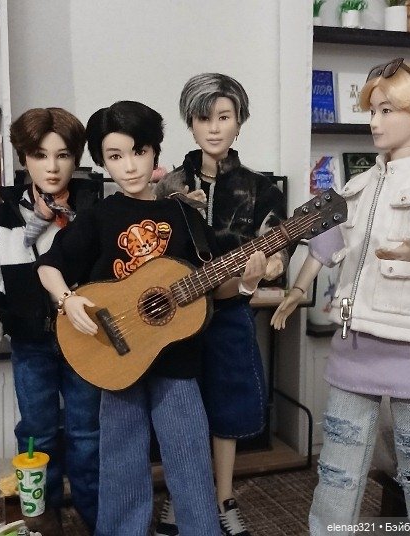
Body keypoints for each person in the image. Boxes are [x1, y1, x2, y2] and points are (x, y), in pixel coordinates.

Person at [36, 100, 268, 536]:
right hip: (116, 357)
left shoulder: (183, 215)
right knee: (121, 462)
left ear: (155, 152)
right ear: (102, 161)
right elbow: (49, 266)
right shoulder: (99, 217)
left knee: (190, 457)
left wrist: (247, 284)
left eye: (139, 152)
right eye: (115, 156)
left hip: (176, 361)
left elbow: (211, 285)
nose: (129, 166)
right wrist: (68, 300)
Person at [271, 58, 410, 535]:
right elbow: (325, 245)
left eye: (387, 110)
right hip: (356, 339)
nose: (375, 122)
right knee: (339, 462)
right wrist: (297, 289)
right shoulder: (357, 187)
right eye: (372, 111)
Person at [154, 73, 289, 536]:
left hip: (230, 311)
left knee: (227, 406)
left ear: (239, 122)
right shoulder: (168, 185)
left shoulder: (261, 188)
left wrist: (270, 265)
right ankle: (180, 495)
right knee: (178, 408)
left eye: (224, 117)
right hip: (175, 316)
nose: (214, 128)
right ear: (190, 123)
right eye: (203, 117)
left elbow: (278, 245)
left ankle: (223, 497)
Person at [0, 107, 101, 529]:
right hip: (31, 344)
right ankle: (42, 513)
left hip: (88, 342)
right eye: (40, 155)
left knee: (88, 432)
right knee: (36, 432)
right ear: (24, 157)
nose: (52, 167)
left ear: (76, 158)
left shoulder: (95, 213)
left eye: (63, 155)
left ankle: (97, 514)